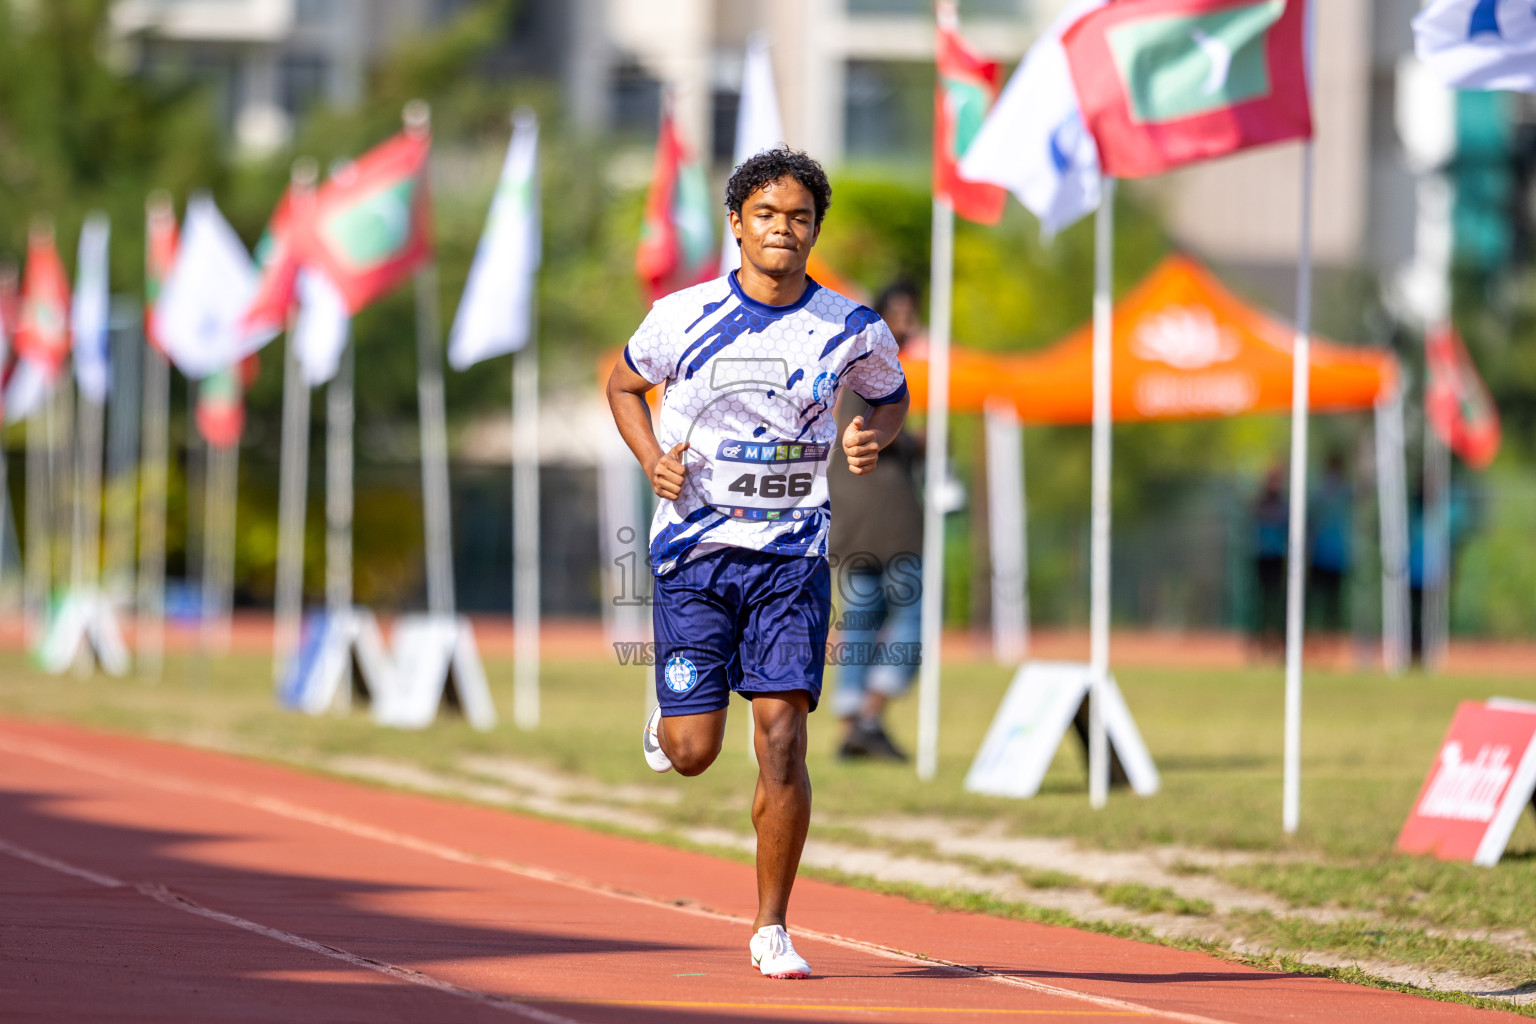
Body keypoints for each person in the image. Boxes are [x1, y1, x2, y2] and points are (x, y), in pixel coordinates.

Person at [606, 147, 909, 980]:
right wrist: (652, 459)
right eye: (767, 215)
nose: (784, 229)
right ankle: (669, 723)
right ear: (738, 224)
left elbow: (891, 394)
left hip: (792, 561)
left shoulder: (851, 328)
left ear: (815, 228)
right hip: (696, 552)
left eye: (800, 217)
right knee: (696, 750)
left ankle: (772, 927)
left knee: (782, 739)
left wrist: (868, 437)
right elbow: (623, 387)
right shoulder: (681, 315)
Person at [827, 281, 924, 761]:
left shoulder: (846, 369)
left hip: (852, 519)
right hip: (887, 519)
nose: (907, 323)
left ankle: (852, 725)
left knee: (861, 622)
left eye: (911, 314)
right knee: (911, 617)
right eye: (899, 313)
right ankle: (868, 714)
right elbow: (868, 433)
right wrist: (913, 444)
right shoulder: (875, 369)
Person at [1250, 465, 1288, 659]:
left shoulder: (1283, 505)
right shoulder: (1261, 503)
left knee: (1278, 601)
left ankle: (1280, 642)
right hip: (1262, 555)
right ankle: (1260, 641)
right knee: (1262, 601)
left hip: (1277, 556)